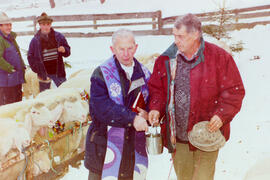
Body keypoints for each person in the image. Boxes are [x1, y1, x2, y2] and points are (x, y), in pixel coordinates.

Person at [148, 13, 245, 180]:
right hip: (178, 136)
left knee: (203, 177)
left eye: (181, 36)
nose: (176, 41)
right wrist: (155, 108)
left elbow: (234, 91)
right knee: (184, 177)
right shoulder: (166, 59)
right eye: (174, 36)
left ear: (196, 35)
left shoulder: (219, 58)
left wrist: (221, 115)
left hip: (207, 134)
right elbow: (157, 89)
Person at [85, 28, 150, 180]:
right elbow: (102, 109)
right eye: (121, 49)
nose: (126, 53)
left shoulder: (145, 74)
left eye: (130, 48)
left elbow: (151, 101)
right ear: (112, 49)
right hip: (103, 146)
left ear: (136, 47)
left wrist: (148, 113)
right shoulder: (101, 74)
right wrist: (132, 118)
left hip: (133, 148)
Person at [27, 12, 70, 92]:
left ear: (51, 24)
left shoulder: (59, 37)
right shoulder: (35, 40)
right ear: (39, 25)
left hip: (58, 72)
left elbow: (68, 51)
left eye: (48, 24)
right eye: (43, 24)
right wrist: (37, 69)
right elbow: (30, 56)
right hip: (44, 74)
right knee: (45, 96)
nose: (46, 27)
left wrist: (64, 50)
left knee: (64, 93)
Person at [0, 12, 26, 106]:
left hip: (16, 78)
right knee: (8, 107)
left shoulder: (10, 38)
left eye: (10, 24)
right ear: (0, 26)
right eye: (6, 25)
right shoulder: (0, 39)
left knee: (17, 104)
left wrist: (22, 66)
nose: (9, 27)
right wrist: (10, 68)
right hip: (5, 81)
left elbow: (16, 54)